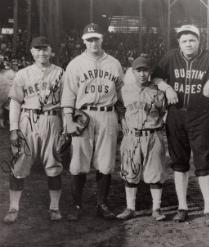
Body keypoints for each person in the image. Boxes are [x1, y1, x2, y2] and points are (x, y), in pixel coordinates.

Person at [152, 24, 209, 225]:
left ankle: (208, 208)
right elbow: (154, 75)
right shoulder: (171, 56)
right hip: (176, 115)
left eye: (192, 40)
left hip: (201, 116)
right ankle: (183, 207)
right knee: (179, 162)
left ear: (199, 41)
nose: (188, 44)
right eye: (184, 41)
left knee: (204, 161)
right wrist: (165, 86)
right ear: (179, 42)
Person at [61, 23, 124, 221]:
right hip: (83, 116)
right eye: (89, 39)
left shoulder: (114, 63)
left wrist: (124, 118)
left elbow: (122, 92)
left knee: (105, 162)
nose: (93, 42)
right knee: (79, 160)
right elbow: (68, 94)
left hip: (108, 114)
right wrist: (67, 119)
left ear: (102, 39)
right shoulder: (75, 64)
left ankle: (102, 204)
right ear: (83, 41)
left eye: (96, 38)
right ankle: (76, 205)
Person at [3, 36, 64, 223]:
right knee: (19, 164)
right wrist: (13, 128)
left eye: (45, 49)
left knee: (54, 165)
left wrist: (65, 130)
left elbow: (66, 103)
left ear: (51, 50)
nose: (42, 52)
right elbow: (14, 102)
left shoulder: (60, 72)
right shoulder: (23, 73)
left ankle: (54, 207)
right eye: (38, 49)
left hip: (52, 119)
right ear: (31, 52)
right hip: (27, 120)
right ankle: (13, 207)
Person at [116, 55, 167, 221]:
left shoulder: (158, 90)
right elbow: (119, 109)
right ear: (133, 71)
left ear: (150, 71)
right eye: (139, 70)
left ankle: (157, 208)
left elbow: (164, 112)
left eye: (145, 70)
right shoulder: (124, 90)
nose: (142, 74)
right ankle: (130, 207)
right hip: (132, 136)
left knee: (155, 173)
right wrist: (123, 122)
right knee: (130, 172)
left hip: (153, 135)